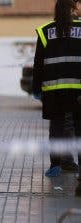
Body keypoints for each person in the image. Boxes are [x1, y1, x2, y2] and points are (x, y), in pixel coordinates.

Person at [33, 0, 81, 184]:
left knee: (57, 128)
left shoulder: (45, 31)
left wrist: (37, 89)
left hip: (54, 89)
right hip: (78, 89)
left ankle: (55, 165)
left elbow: (39, 64)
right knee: (79, 129)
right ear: (74, 7)